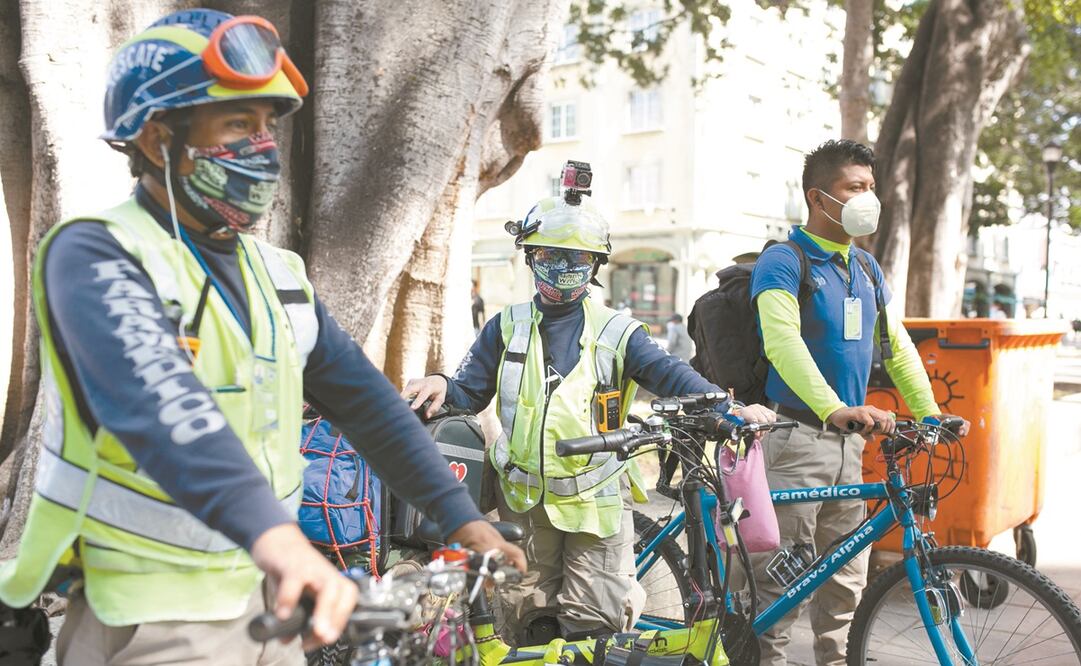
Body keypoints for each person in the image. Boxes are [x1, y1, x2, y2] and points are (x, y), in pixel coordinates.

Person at [0, 10, 522, 665]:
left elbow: (364, 402)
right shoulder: (96, 254)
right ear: (160, 140)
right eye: (237, 125)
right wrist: (284, 545)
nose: (264, 148)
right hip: (154, 614)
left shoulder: (279, 275)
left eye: (268, 126)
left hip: (263, 597)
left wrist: (462, 519)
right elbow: (163, 409)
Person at [402, 188, 776, 644]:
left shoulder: (619, 332)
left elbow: (673, 375)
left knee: (592, 628)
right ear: (530, 257)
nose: (561, 269)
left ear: (595, 265)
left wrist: (727, 407)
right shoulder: (506, 325)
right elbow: (468, 390)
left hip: (595, 506)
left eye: (575, 259)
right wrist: (441, 383)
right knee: (528, 623)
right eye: (549, 255)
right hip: (523, 506)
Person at [749, 139, 970, 666]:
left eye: (871, 188)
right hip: (796, 441)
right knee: (781, 583)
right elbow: (783, 344)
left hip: (852, 443)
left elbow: (897, 348)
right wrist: (832, 408)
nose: (868, 198)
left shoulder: (866, 268)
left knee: (847, 582)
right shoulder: (784, 260)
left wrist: (930, 413)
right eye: (855, 187)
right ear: (819, 197)